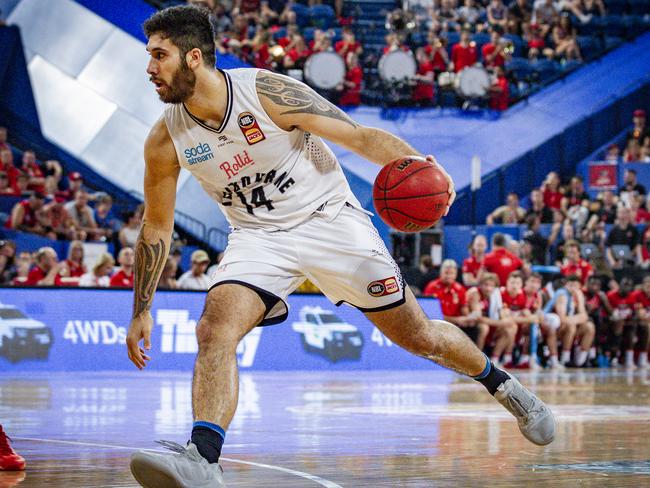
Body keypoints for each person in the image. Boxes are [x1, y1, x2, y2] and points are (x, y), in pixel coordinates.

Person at [128, 7, 555, 486]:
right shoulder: (166, 139)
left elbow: (357, 136)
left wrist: (425, 169)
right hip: (257, 237)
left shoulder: (265, 92)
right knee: (214, 328)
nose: (149, 68)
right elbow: (157, 227)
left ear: (192, 58)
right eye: (149, 56)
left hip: (330, 219)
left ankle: (505, 386)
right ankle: (202, 460)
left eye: (158, 56)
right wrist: (141, 307)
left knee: (419, 337)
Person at [543, 275, 595, 367]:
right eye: (570, 285)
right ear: (566, 285)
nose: (572, 288)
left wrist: (580, 299)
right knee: (571, 326)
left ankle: (579, 362)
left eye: (575, 286)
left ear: (580, 287)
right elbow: (562, 319)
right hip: (549, 326)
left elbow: (584, 316)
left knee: (589, 327)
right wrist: (580, 318)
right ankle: (564, 360)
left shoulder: (577, 295)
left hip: (564, 326)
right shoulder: (562, 294)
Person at [607, 277, 640, 368]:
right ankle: (614, 358)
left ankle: (629, 359)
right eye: (624, 285)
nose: (626, 288)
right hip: (613, 322)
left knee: (633, 328)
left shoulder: (632, 296)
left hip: (627, 322)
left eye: (629, 286)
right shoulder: (610, 295)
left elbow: (634, 313)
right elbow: (606, 313)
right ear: (620, 285)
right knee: (619, 324)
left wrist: (633, 319)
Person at [632, 275, 650, 368]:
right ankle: (642, 358)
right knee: (646, 327)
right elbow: (640, 315)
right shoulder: (637, 295)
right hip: (637, 324)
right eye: (648, 287)